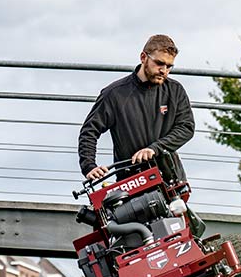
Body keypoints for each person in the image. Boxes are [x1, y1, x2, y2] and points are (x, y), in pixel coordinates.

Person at [78, 34, 195, 181]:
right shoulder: (114, 94)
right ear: (143, 57)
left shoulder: (175, 90)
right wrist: (89, 166)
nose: (164, 70)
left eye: (169, 66)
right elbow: (89, 131)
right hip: (131, 181)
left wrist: (154, 148)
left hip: (171, 179)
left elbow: (186, 127)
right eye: (159, 63)